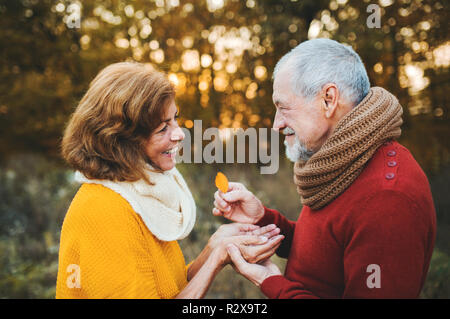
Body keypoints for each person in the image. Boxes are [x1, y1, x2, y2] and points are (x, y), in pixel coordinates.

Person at [213, 38, 436, 298]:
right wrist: (262, 219)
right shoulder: (340, 164)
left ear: (328, 100)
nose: (277, 124)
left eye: (283, 107)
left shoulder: (387, 199)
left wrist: (272, 282)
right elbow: (326, 251)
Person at [56, 62, 284, 298]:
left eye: (175, 119)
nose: (178, 134)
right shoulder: (104, 210)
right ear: (123, 141)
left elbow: (167, 289)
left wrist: (214, 247)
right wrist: (218, 258)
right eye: (163, 128)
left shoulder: (139, 190)